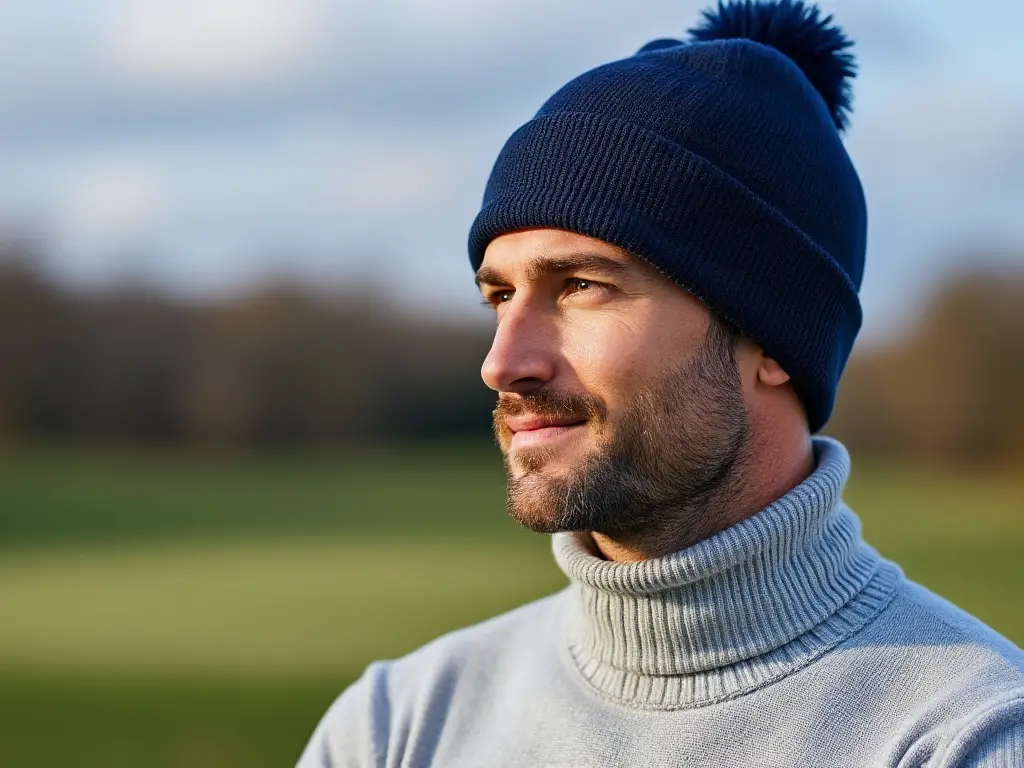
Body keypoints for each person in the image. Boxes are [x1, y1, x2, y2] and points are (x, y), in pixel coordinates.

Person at [298, 1, 1024, 765]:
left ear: (769, 336)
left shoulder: (969, 737)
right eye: (501, 296)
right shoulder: (399, 725)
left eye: (580, 285)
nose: (502, 362)